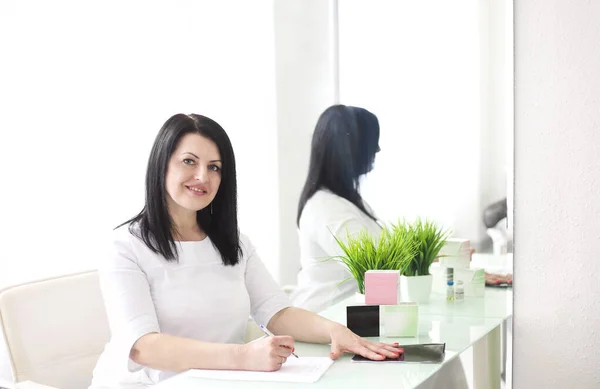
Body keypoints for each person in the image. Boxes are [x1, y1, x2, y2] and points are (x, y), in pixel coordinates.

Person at [89, 113, 400, 388]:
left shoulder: (233, 243)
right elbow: (143, 347)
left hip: (219, 379)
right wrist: (243, 356)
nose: (203, 177)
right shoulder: (125, 247)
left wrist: (334, 330)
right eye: (189, 161)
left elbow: (276, 311)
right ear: (161, 164)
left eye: (214, 167)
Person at [291, 105, 382, 313]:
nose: (377, 150)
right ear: (351, 148)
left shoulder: (344, 201)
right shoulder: (327, 208)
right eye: (372, 142)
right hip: (324, 321)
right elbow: (374, 265)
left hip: (338, 321)